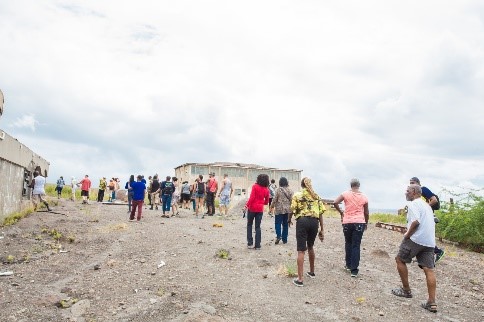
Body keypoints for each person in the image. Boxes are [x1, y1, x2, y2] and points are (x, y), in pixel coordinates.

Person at [392, 184, 438, 313]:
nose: (405, 193)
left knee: (400, 259)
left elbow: (416, 222)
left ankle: (406, 290)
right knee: (429, 270)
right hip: (429, 242)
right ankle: (432, 302)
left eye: (407, 191)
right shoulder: (426, 205)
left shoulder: (413, 204)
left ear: (413, 192)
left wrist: (407, 234)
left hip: (416, 239)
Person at [289, 177, 325, 287]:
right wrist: (322, 229)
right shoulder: (316, 196)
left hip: (302, 221)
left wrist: (289, 219)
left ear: (301, 185)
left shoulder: (297, 195)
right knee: (310, 246)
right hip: (314, 222)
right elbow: (320, 213)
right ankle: (312, 272)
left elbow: (292, 209)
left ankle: (300, 279)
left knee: (301, 251)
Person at [333, 178, 369, 277]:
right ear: (359, 186)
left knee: (348, 243)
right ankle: (354, 270)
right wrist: (366, 223)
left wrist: (341, 212)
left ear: (351, 185)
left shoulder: (345, 194)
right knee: (356, 245)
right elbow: (366, 212)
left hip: (347, 222)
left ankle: (348, 265)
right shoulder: (364, 197)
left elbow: (335, 202)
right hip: (359, 222)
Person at [409, 177, 445, 263]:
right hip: (424, 218)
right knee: (420, 236)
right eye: (410, 183)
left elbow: (434, 200)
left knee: (423, 236)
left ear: (418, 183)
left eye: (413, 182)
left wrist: (425, 208)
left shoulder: (423, 189)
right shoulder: (416, 194)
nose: (411, 184)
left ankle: (438, 252)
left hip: (429, 217)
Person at [245, 174, 270, 250]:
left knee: (249, 225)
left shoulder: (255, 186)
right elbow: (266, 202)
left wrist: (246, 205)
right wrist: (261, 202)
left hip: (252, 208)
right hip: (260, 209)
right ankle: (258, 245)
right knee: (258, 227)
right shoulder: (266, 189)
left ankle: (250, 243)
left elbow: (252, 198)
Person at [270, 177, 294, 245]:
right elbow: (293, 201)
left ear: (280, 182)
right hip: (288, 211)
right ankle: (285, 239)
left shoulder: (278, 190)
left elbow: (274, 200)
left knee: (277, 223)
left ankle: (278, 236)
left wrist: (271, 207)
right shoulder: (290, 191)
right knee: (285, 225)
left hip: (279, 210)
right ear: (287, 182)